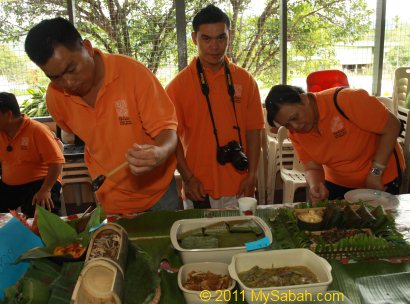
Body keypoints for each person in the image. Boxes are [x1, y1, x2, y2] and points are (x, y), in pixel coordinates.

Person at [24, 17, 179, 214]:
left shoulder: (133, 74)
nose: (69, 83)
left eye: (71, 69)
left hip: (159, 194)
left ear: (87, 47)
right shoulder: (56, 98)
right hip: (110, 196)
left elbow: (167, 130)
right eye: (55, 77)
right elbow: (78, 133)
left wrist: (160, 152)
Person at [166, 5, 264, 209]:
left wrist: (252, 174)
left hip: (240, 184)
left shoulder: (245, 81)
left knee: (241, 238)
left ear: (230, 36)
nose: (214, 46)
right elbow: (171, 139)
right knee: (202, 240)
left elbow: (254, 130)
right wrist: (187, 177)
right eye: (206, 38)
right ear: (194, 38)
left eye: (221, 38)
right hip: (199, 187)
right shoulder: (177, 86)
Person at [265, 84, 405, 203]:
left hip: (380, 177)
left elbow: (393, 126)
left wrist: (375, 173)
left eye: (295, 117)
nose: (295, 127)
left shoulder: (347, 99)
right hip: (338, 181)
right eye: (287, 125)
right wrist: (316, 185)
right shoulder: (295, 133)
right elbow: (312, 167)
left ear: (304, 99)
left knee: (380, 229)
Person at [0, 92, 64, 217]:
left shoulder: (37, 130)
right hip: (9, 186)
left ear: (8, 115)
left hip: (40, 183)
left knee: (44, 218)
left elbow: (56, 162)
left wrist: (45, 190)